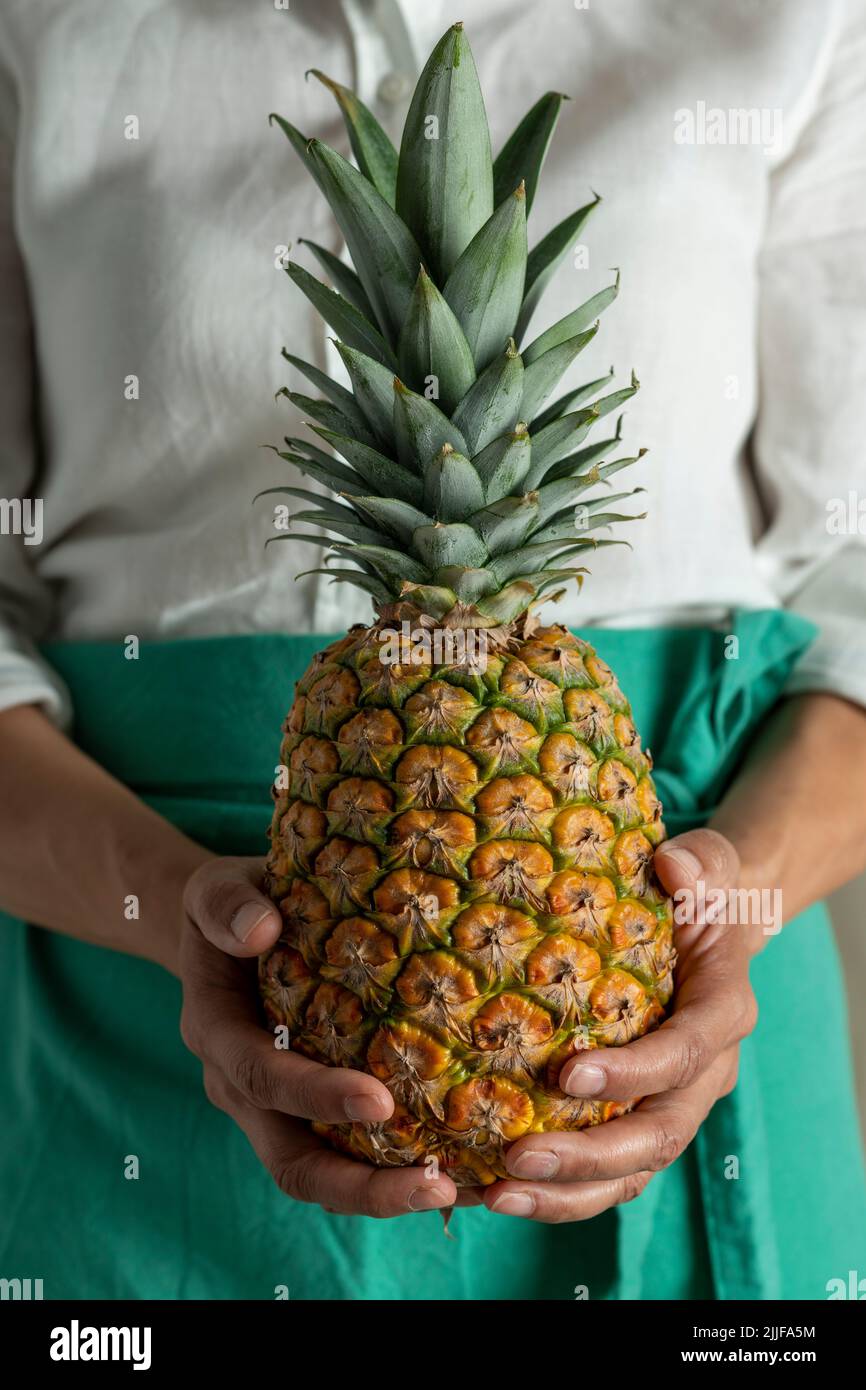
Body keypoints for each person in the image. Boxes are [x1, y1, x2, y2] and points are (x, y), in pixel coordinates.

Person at [1, 0, 865, 1301]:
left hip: (699, 962)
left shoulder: (789, 22)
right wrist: (165, 901)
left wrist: (731, 901)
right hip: (128, 959)